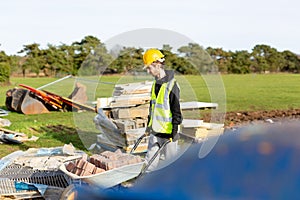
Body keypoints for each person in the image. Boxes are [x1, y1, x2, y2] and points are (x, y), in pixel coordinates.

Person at [143, 48, 182, 172]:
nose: (148, 71)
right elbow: (153, 107)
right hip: (155, 131)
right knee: (149, 164)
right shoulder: (155, 84)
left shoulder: (172, 86)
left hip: (169, 133)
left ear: (158, 65)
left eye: (149, 68)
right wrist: (149, 126)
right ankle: (145, 186)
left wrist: (174, 131)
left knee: (171, 165)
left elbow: (176, 111)